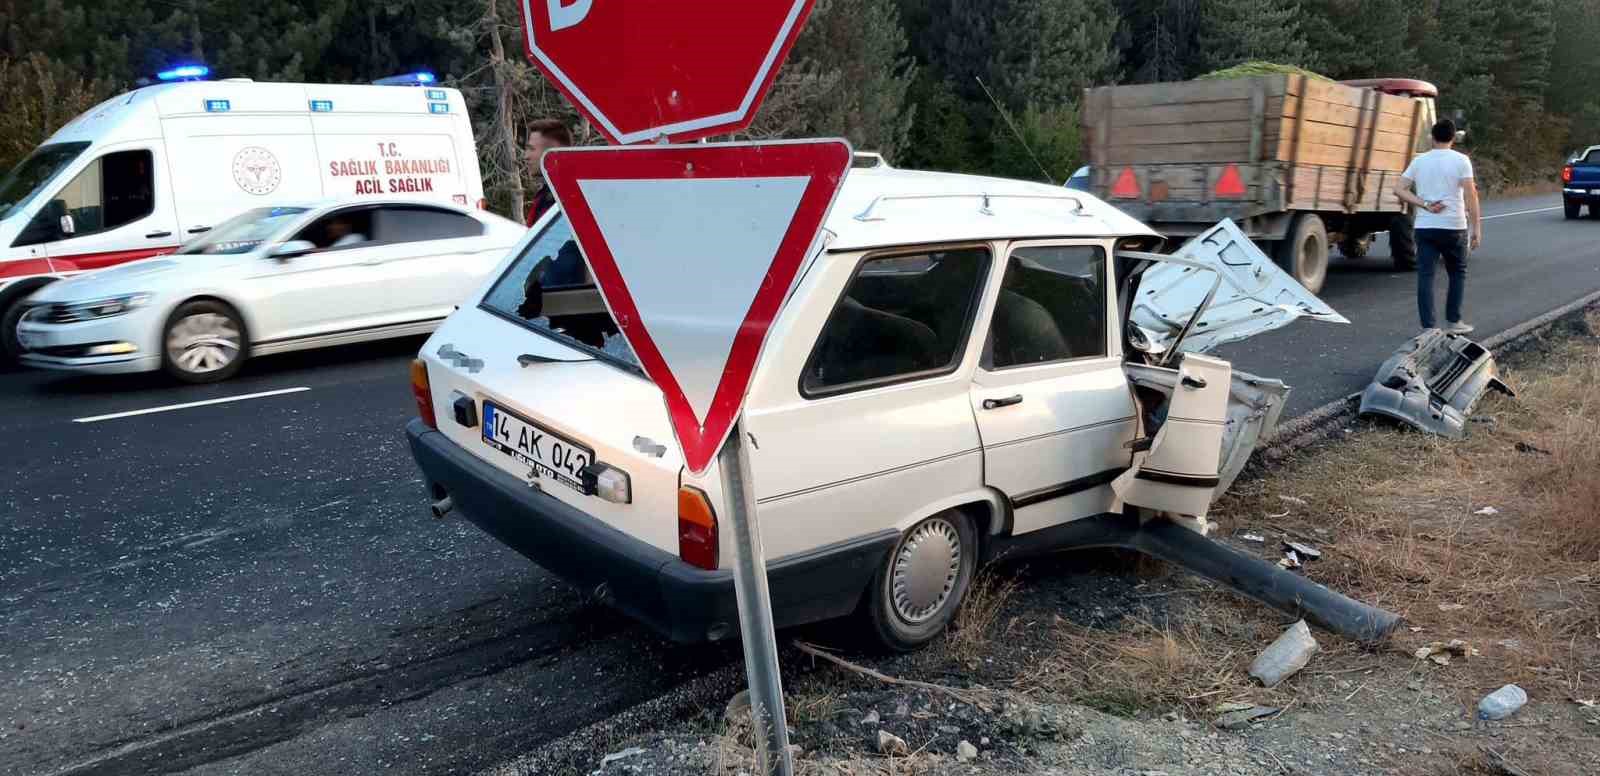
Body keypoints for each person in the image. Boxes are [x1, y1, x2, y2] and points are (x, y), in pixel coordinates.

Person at [1394, 119, 1481, 334]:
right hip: (1454, 226)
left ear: (1432, 137)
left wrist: (1423, 204)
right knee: (1457, 273)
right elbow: (1471, 194)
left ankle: (1428, 327)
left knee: (1426, 276)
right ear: (1453, 138)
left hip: (1425, 226)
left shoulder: (1419, 161)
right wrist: (1476, 227)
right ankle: (1454, 322)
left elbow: (1399, 189)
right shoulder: (1462, 160)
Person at [524, 118, 572, 226]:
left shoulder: (567, 199)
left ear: (552, 153)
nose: (526, 156)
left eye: (532, 149)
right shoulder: (546, 194)